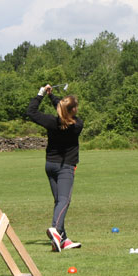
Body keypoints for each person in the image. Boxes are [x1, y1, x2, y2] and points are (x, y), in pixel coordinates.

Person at [26, 84, 84, 252]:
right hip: (65, 167)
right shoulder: (77, 125)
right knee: (64, 200)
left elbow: (31, 112)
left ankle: (62, 240)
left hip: (50, 165)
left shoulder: (52, 122)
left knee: (59, 201)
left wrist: (42, 94)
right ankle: (56, 230)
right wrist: (54, 98)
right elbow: (62, 108)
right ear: (73, 110)